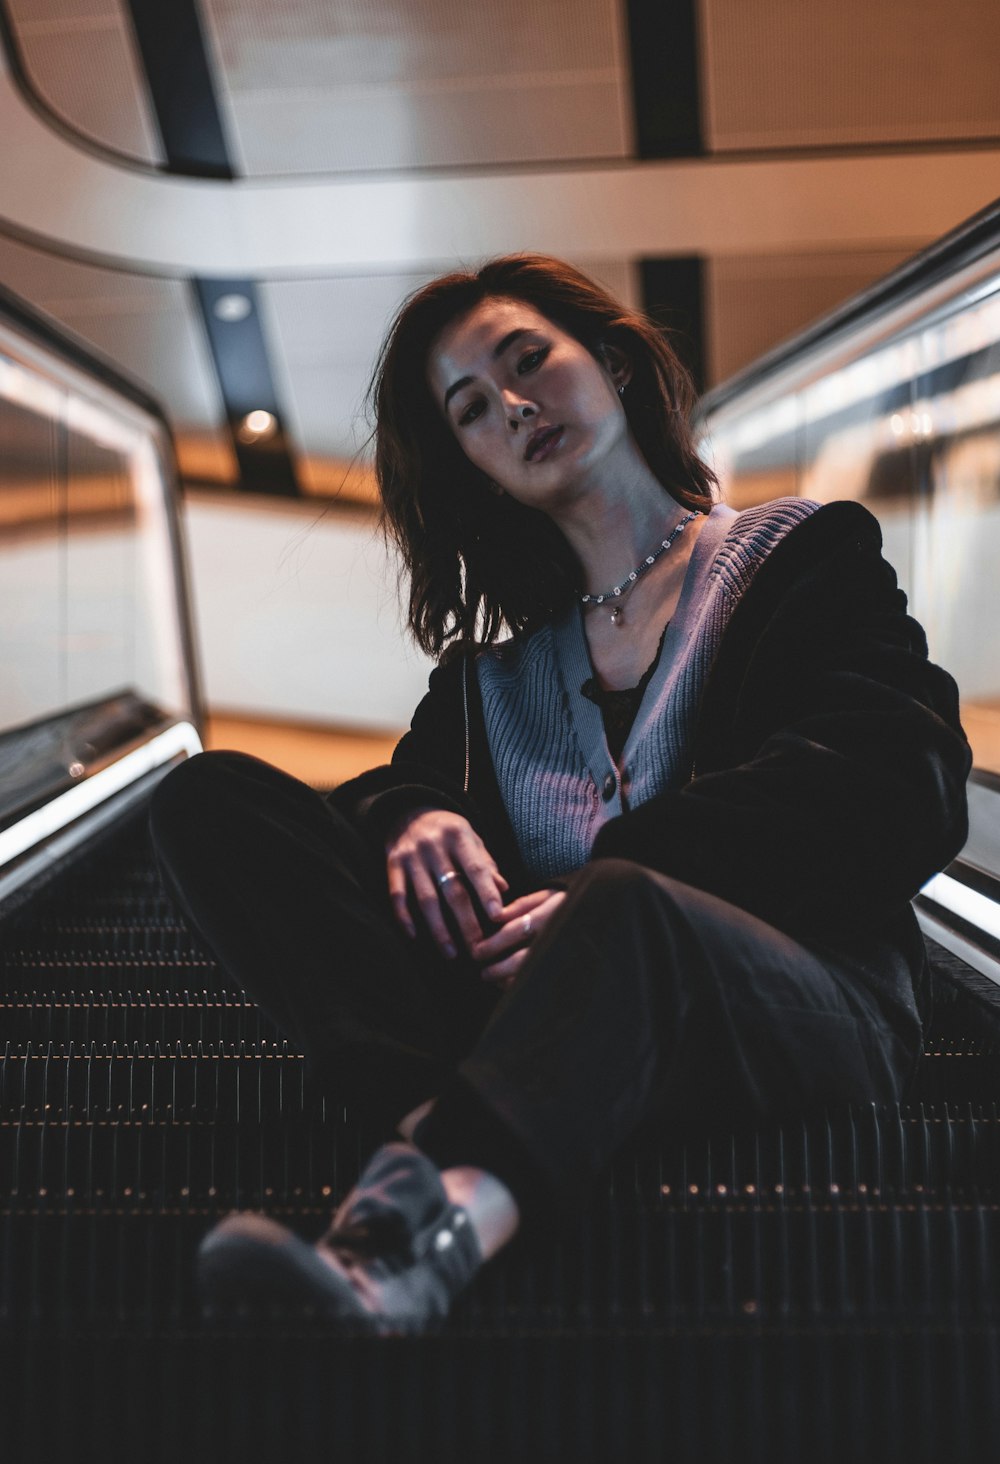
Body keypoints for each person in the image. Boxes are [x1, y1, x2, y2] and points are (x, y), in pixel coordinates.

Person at [149, 253, 971, 1332]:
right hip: (540, 1023)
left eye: (529, 360)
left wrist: (619, 878)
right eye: (473, 410)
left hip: (796, 1009)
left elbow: (899, 782)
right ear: (475, 466)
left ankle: (417, 1241)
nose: (515, 405)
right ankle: (436, 1124)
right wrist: (412, 814)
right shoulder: (490, 682)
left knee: (628, 902)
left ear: (615, 363)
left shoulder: (796, 558)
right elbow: (382, 794)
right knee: (207, 797)